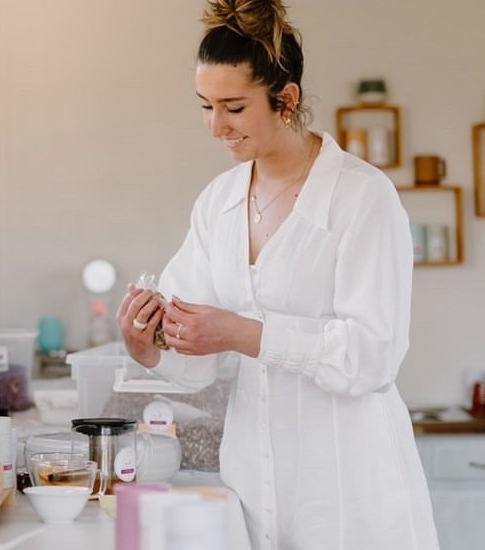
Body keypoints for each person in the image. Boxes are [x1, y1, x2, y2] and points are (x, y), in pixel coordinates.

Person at [116, 0, 440, 548]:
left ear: (285, 99)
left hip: (346, 491)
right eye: (206, 106)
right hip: (254, 486)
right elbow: (198, 358)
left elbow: (372, 354)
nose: (216, 126)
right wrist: (147, 342)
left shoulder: (361, 198)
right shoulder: (218, 203)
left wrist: (243, 333)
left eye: (234, 107)